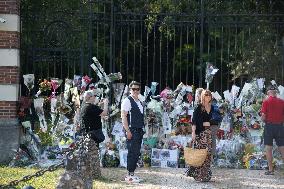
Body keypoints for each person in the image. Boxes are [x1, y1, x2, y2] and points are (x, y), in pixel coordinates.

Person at [185, 89, 213, 182]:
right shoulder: (198, 107)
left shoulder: (211, 107)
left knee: (208, 154)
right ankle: (198, 175)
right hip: (200, 134)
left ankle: (205, 175)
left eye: (209, 95)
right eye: (205, 95)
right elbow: (194, 122)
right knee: (201, 154)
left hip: (208, 134)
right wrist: (193, 133)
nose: (207, 96)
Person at [121, 81, 145, 183]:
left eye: (137, 89)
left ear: (139, 90)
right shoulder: (127, 101)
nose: (135, 91)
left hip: (139, 130)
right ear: (130, 90)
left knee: (136, 152)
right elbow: (123, 116)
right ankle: (129, 175)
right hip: (132, 130)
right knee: (132, 152)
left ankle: (132, 173)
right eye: (133, 89)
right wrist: (127, 131)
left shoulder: (139, 101)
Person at [260, 85, 284, 175]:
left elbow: (263, 116)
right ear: (276, 92)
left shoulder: (266, 101)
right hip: (280, 126)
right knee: (282, 147)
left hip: (269, 126)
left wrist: (262, 120)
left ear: (268, 92)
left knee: (268, 148)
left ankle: (271, 170)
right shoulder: (282, 102)